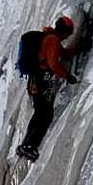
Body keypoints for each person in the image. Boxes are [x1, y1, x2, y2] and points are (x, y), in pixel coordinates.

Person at [17, 15, 78, 161]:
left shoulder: (49, 38)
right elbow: (53, 64)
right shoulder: (53, 40)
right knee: (45, 113)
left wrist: (78, 47)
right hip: (40, 80)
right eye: (68, 34)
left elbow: (64, 54)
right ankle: (30, 145)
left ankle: (27, 144)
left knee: (40, 111)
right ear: (65, 32)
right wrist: (66, 75)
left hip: (35, 80)